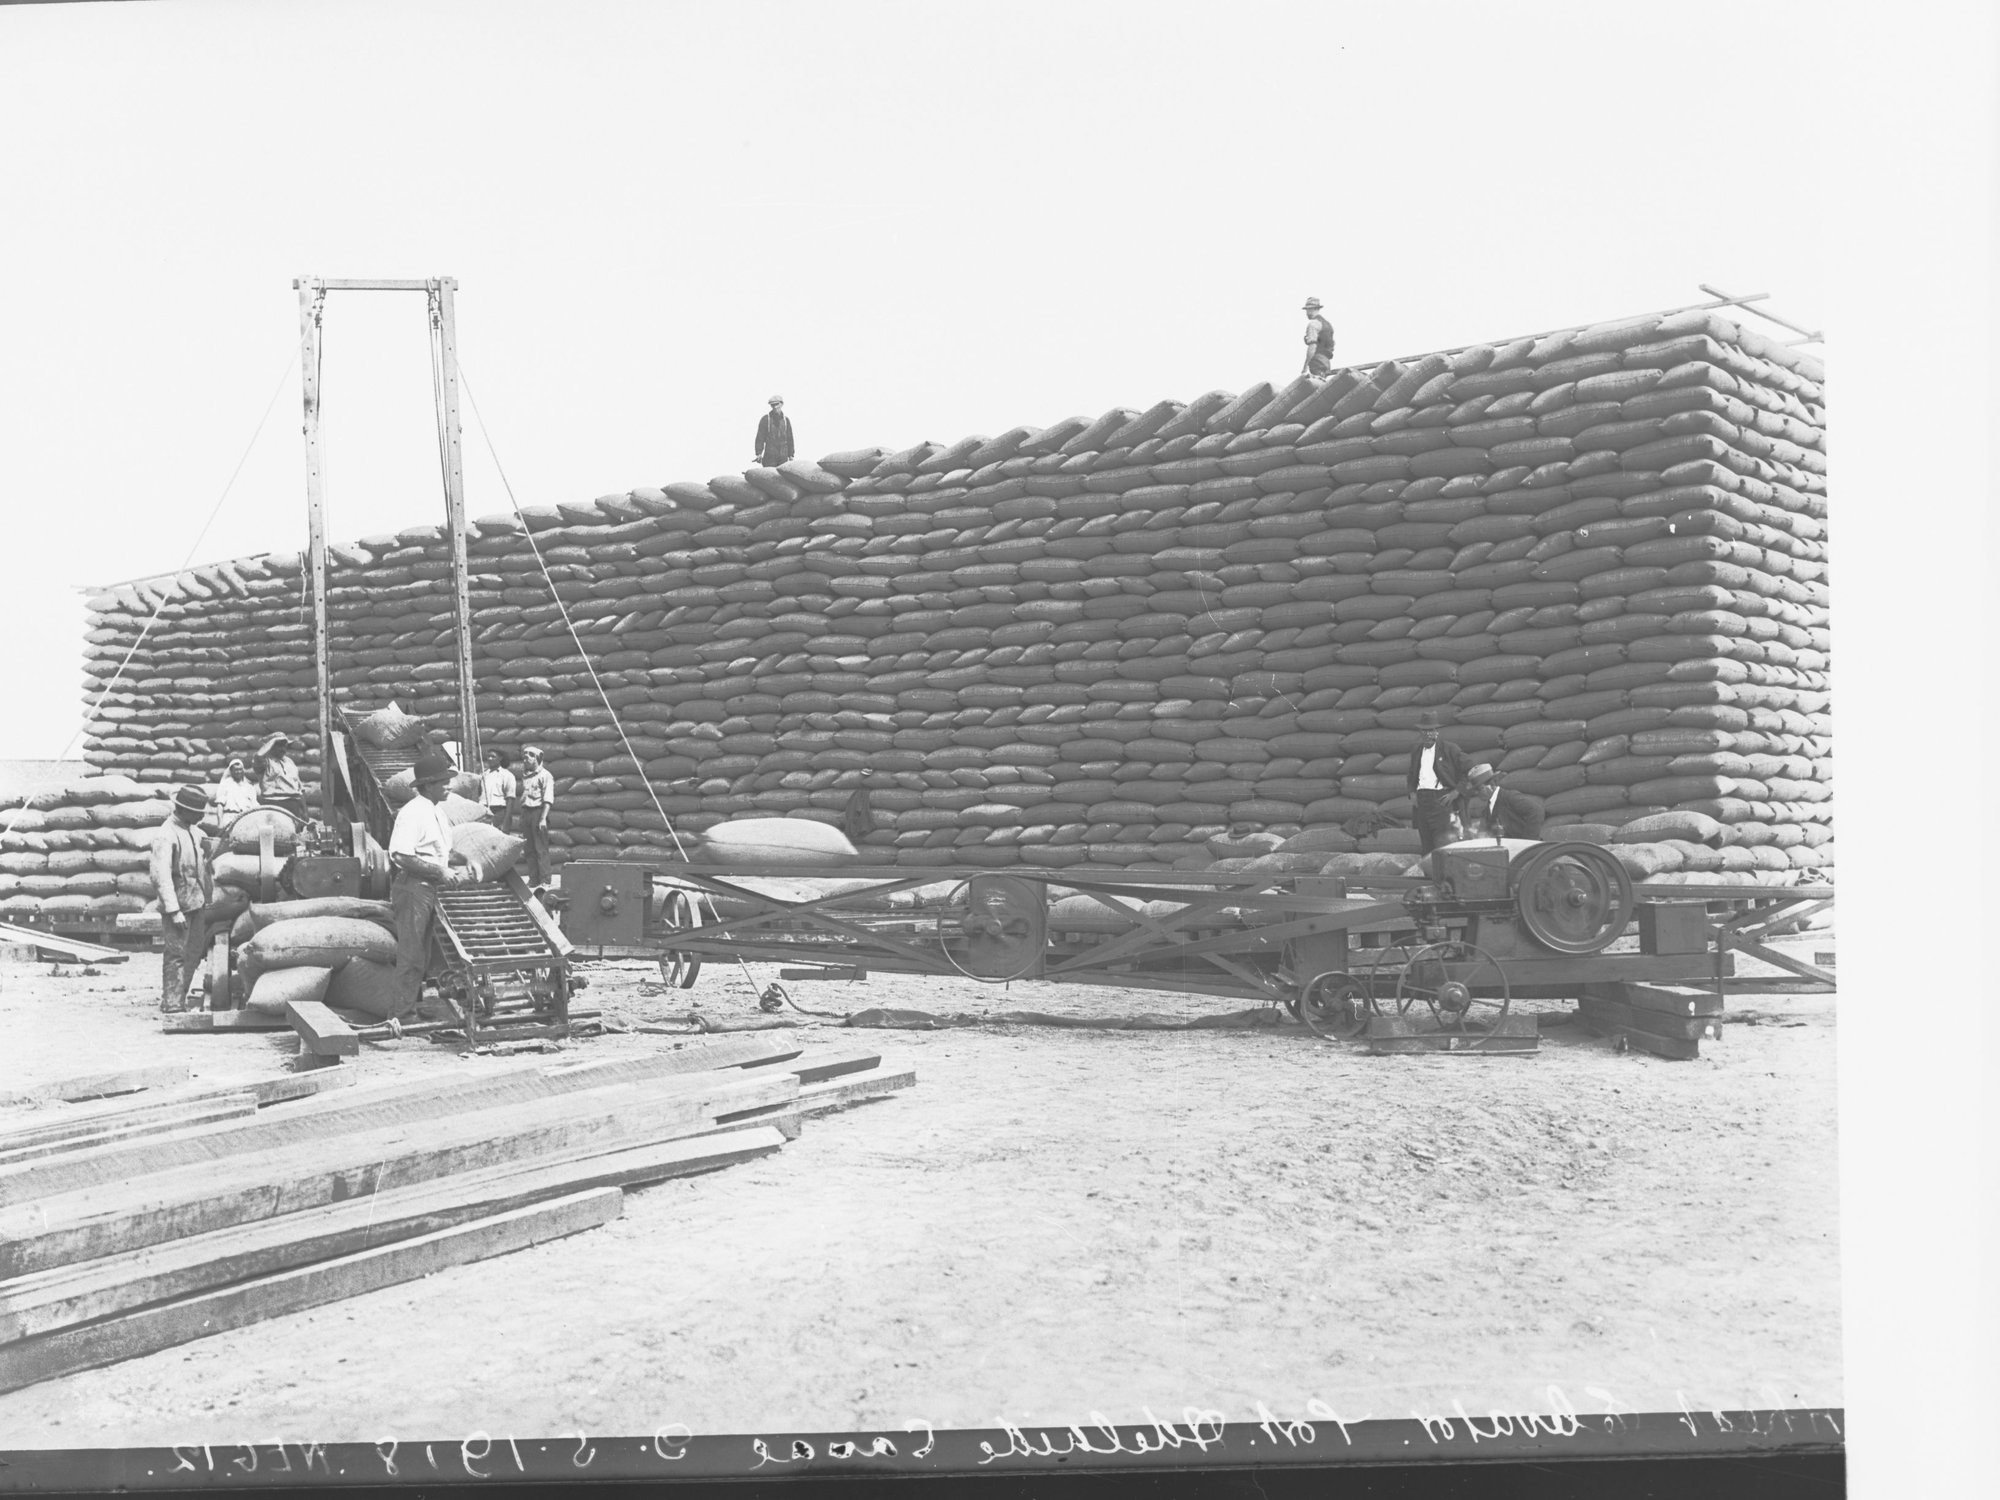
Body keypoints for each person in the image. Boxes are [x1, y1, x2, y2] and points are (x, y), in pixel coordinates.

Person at [387, 747, 471, 1018]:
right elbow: (401, 855)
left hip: (427, 887)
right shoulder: (413, 813)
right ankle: (403, 1014)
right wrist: (439, 872)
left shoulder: (436, 811)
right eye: (443, 782)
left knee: (424, 953)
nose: (449, 786)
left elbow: (440, 850)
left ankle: (414, 1005)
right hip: (413, 888)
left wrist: (467, 857)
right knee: (411, 955)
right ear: (428, 785)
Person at [149, 786, 213, 1013]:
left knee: (193, 954)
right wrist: (173, 910)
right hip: (179, 907)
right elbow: (160, 876)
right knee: (176, 954)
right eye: (198, 812)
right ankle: (173, 1005)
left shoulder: (194, 831)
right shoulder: (166, 835)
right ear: (183, 810)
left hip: (196, 903)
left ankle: (178, 997)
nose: (202, 816)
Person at [1405, 710, 1470, 855]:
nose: (1428, 734)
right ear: (1420, 732)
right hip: (1422, 802)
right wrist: (1411, 793)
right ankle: (1430, 876)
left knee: (1442, 844)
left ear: (1437, 732)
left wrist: (1456, 791)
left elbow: (1469, 769)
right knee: (1426, 844)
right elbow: (1411, 775)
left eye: (1431, 730)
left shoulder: (1449, 749)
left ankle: (1444, 876)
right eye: (1424, 731)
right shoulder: (1416, 750)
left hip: (1442, 800)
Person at [1459, 764, 1547, 842]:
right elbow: (1483, 835)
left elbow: (1536, 810)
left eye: (1479, 789)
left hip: (1526, 852)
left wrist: (1528, 842)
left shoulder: (1509, 797)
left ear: (1492, 784)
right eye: (1475, 790)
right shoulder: (1486, 811)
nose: (1477, 793)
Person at [517, 745, 555, 887]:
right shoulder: (525, 776)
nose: (526, 757)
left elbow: (548, 799)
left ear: (538, 759)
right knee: (529, 849)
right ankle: (533, 879)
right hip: (526, 812)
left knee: (541, 848)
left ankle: (545, 880)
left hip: (538, 812)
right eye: (525, 754)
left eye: (531, 755)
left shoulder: (545, 775)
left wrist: (543, 818)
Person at [255, 733, 308, 822]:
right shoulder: (265, 762)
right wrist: (273, 740)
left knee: (294, 834)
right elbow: (259, 756)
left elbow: (300, 789)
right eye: (279, 746)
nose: (283, 749)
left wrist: (305, 811)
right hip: (272, 804)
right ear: (271, 746)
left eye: (285, 746)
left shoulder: (290, 762)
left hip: (293, 805)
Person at [210, 756, 259, 825]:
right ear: (231, 771)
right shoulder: (225, 785)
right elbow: (220, 805)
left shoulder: (249, 787)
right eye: (236, 770)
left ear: (243, 770)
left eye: (240, 769)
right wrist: (220, 823)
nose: (238, 772)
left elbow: (255, 805)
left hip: (246, 819)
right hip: (230, 818)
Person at [479, 748, 518, 832]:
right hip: (484, 811)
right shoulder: (484, 775)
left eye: (493, 756)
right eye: (488, 756)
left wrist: (506, 820)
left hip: (498, 812)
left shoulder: (507, 775)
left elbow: (510, 799)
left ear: (500, 758)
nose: (489, 759)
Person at [754, 395, 795, 468]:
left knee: (782, 477)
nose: (775, 407)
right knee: (769, 476)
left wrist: (791, 455)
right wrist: (759, 453)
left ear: (781, 404)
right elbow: (760, 437)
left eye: (777, 404)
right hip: (770, 455)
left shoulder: (786, 420)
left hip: (783, 456)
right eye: (773, 405)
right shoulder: (766, 419)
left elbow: (790, 438)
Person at [1301, 297, 1335, 379]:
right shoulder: (1327, 324)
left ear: (1314, 309)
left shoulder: (1313, 324)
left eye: (1308, 310)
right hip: (1326, 362)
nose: (1307, 313)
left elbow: (1312, 347)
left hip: (1317, 362)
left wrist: (1305, 368)